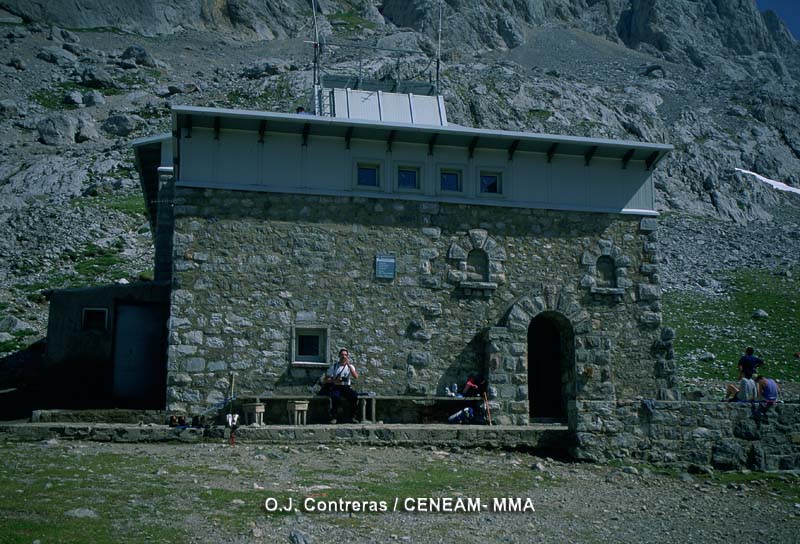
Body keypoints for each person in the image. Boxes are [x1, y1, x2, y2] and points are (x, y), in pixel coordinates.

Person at [319, 348, 359, 423]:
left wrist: (349, 365)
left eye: (345, 355)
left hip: (346, 387)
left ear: (347, 356)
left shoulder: (350, 367)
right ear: (339, 356)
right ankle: (334, 417)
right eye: (342, 355)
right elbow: (325, 379)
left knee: (354, 396)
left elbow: (356, 376)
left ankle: (352, 416)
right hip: (336, 386)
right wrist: (335, 381)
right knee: (335, 397)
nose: (344, 356)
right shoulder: (334, 367)